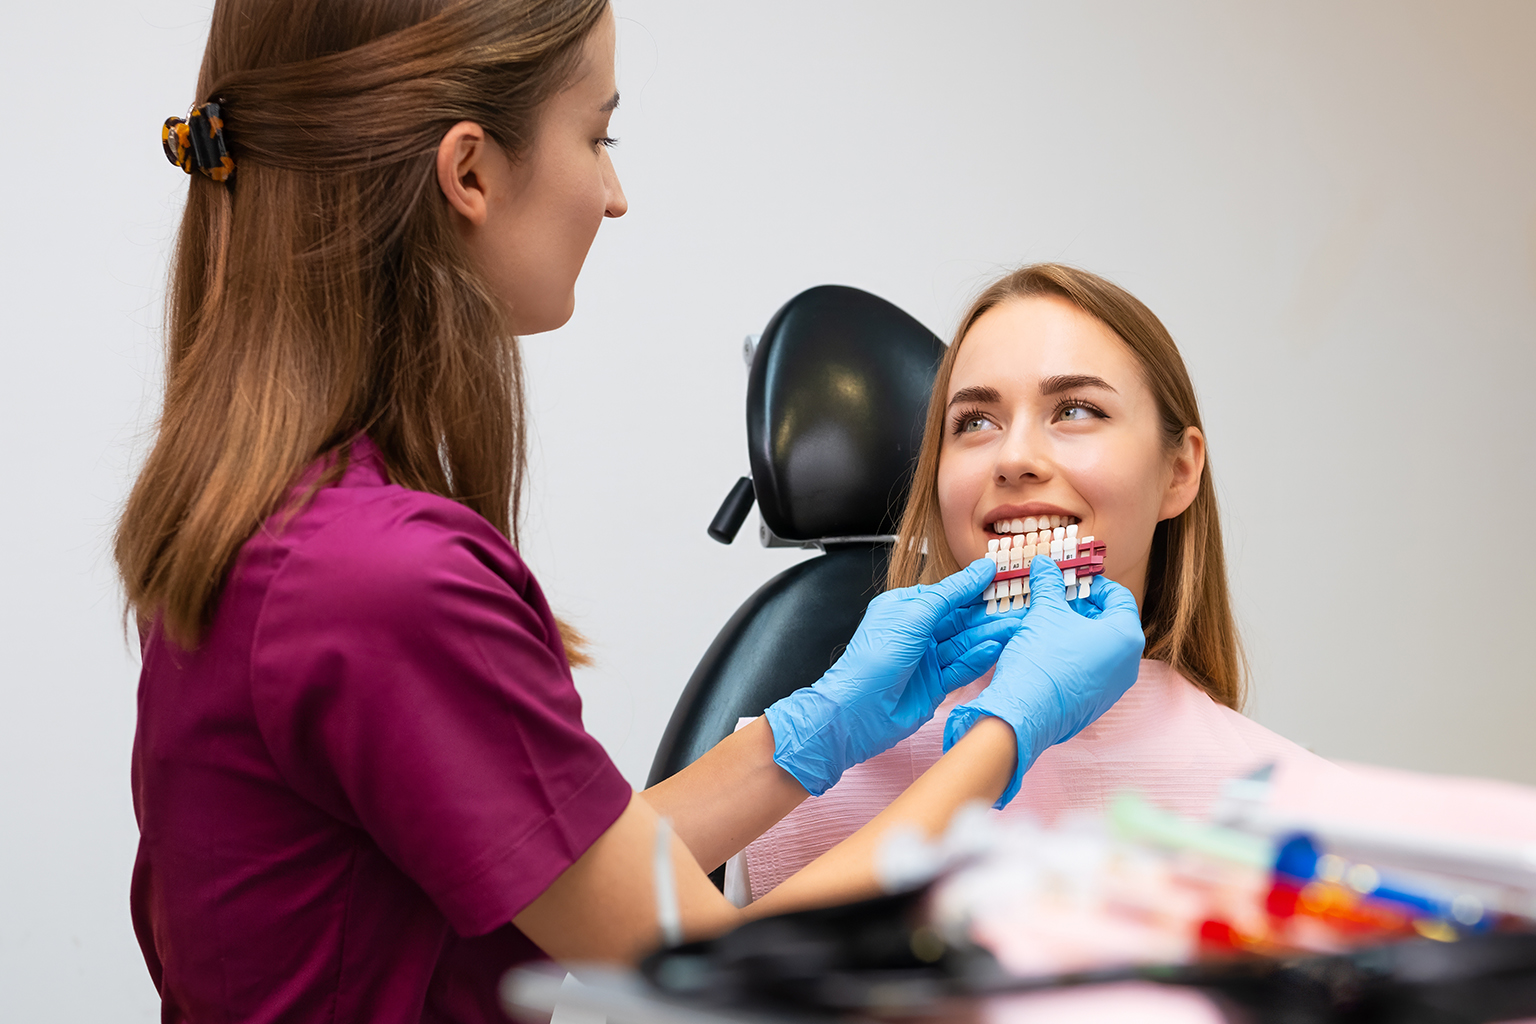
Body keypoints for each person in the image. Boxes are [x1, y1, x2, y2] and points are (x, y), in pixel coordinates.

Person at [116, 4, 1146, 1021]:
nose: (613, 194)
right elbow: (733, 976)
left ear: (1181, 468)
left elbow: (562, 874)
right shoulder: (383, 581)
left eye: (1079, 411)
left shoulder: (288, 526)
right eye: (596, 133)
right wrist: (1004, 732)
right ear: (470, 171)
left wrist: (812, 729)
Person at [732, 264, 1345, 902]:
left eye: (1075, 411)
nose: (1015, 459)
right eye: (974, 422)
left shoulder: (1303, 814)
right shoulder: (776, 797)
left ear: (1179, 472)